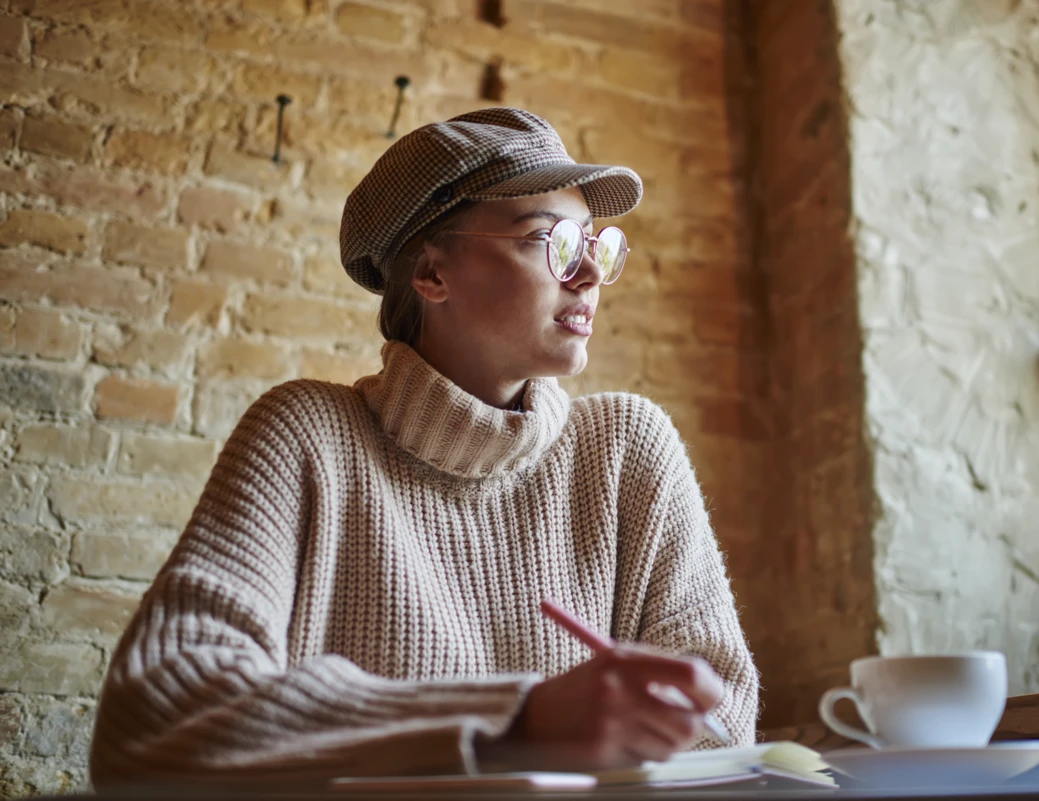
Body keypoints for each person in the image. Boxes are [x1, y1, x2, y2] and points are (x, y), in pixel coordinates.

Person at [89, 108, 759, 786]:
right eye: (550, 240)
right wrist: (515, 722)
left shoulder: (625, 451)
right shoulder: (305, 435)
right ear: (433, 273)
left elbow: (719, 727)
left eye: (594, 243)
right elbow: (150, 717)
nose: (588, 273)